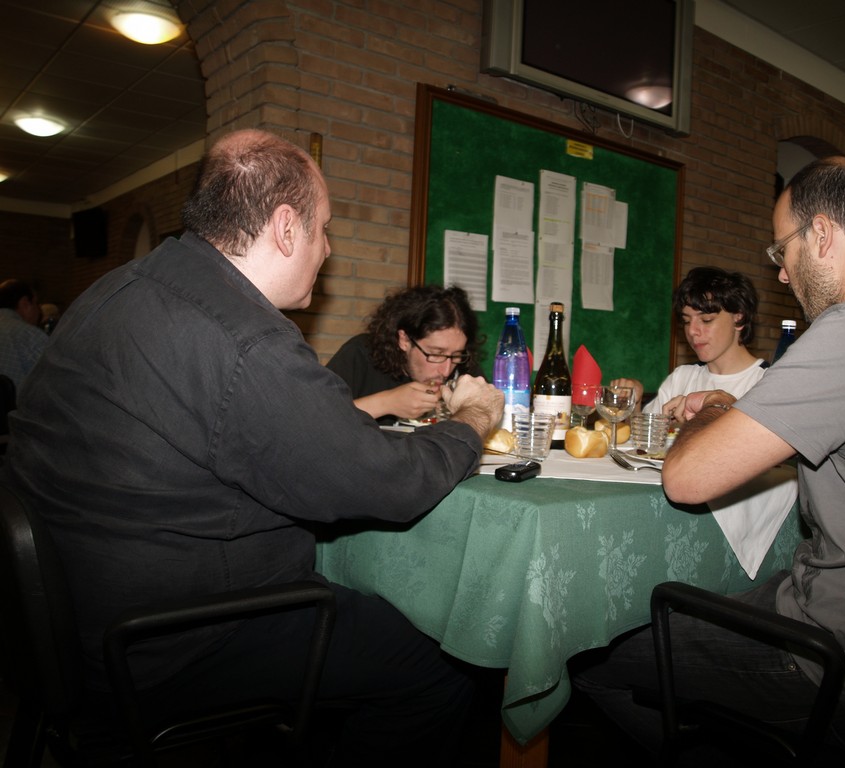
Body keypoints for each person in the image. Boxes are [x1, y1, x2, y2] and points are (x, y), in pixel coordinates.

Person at [4, 129, 505, 766]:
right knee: (441, 664)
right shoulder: (245, 339)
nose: (328, 249)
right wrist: (472, 421)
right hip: (169, 640)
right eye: (325, 229)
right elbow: (388, 484)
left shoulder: (114, 289)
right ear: (286, 228)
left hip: (60, 623)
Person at [573, 157, 845, 758]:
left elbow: (685, 479)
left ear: (822, 235)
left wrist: (715, 406)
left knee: (584, 658)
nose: (783, 273)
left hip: (839, 660)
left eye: (781, 250)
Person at [611, 266, 766, 415]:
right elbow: (647, 430)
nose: (691, 331)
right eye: (686, 321)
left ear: (738, 318)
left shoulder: (765, 382)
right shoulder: (681, 377)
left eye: (706, 320)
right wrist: (634, 403)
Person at [326, 284, 481, 424]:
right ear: (405, 340)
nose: (446, 371)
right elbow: (318, 417)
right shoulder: (360, 353)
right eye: (436, 354)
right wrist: (387, 403)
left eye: (456, 355)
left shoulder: (463, 366)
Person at [0, 278, 49, 388]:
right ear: (25, 303)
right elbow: (54, 380)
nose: (39, 311)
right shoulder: (30, 335)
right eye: (36, 304)